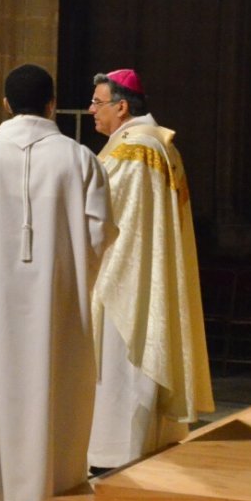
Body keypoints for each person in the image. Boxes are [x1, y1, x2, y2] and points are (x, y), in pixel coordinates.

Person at [0, 64, 114, 501]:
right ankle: (53, 487)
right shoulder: (79, 159)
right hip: (59, 303)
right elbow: (101, 234)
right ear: (52, 103)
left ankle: (4, 492)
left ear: (5, 104)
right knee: (58, 387)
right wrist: (73, 274)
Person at [87, 69, 214, 472]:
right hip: (144, 270)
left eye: (98, 102)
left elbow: (106, 218)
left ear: (122, 107)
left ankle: (117, 451)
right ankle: (142, 443)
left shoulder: (134, 149)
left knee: (122, 360)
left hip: (125, 276)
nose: (91, 109)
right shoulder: (156, 144)